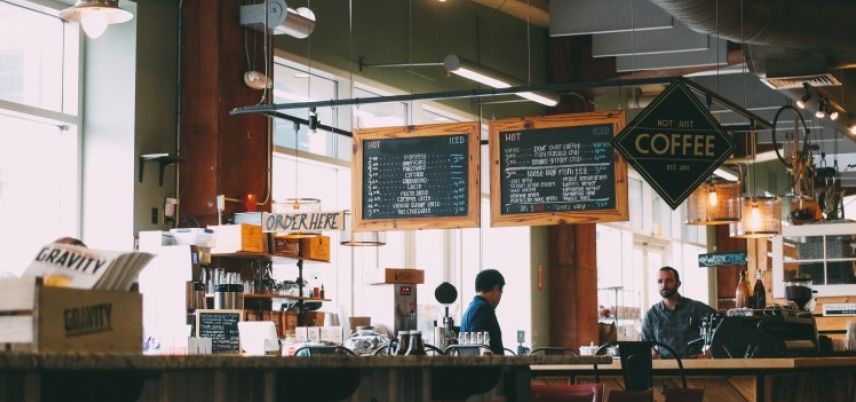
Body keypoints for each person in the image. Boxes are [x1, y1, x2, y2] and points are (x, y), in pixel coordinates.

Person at [641, 266, 715, 358]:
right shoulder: (651, 315)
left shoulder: (695, 308)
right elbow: (644, 343)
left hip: (694, 368)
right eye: (660, 281)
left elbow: (724, 329)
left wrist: (709, 353)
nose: (664, 285)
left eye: (669, 281)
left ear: (678, 283)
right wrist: (653, 352)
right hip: (665, 369)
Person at [460, 269, 505, 355]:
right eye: (501, 292)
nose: (500, 296)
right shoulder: (483, 308)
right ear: (496, 289)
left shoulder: (471, 308)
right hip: (488, 367)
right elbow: (482, 345)